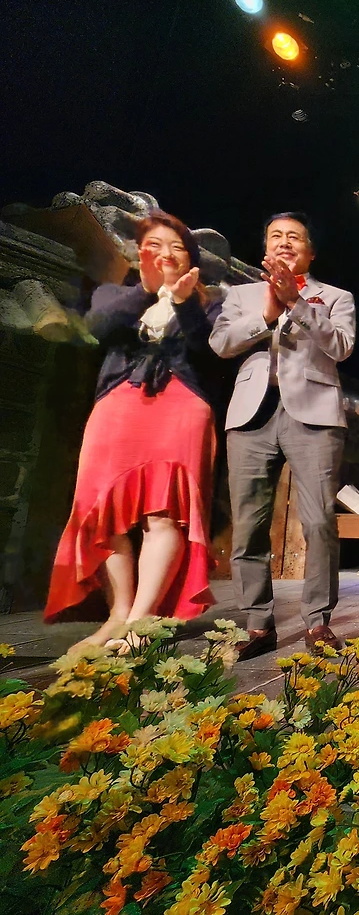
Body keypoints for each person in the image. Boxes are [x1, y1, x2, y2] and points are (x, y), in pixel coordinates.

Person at [47, 211, 219, 648]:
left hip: (181, 401)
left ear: (191, 260)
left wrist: (183, 302)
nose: (165, 254)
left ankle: (141, 623)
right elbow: (96, 326)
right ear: (138, 253)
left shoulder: (209, 302)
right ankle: (118, 614)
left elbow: (207, 349)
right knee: (101, 511)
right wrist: (145, 289)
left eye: (176, 247)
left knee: (164, 511)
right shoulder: (115, 293)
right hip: (119, 401)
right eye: (154, 245)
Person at [209, 212, 355, 659]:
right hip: (251, 414)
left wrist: (297, 304)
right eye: (276, 236)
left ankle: (318, 622)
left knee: (319, 521)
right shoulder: (241, 294)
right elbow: (221, 344)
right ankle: (257, 624)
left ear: (310, 252)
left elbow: (341, 346)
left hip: (315, 413)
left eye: (295, 237)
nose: (285, 242)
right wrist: (268, 312)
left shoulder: (335, 296)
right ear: (265, 248)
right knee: (248, 524)